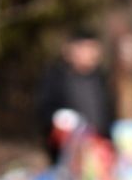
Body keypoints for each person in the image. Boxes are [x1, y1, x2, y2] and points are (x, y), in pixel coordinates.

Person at [36, 26, 115, 158]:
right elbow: (44, 111)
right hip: (66, 153)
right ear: (70, 50)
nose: (90, 53)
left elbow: (109, 114)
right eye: (85, 48)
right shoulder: (56, 77)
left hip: (99, 149)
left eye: (93, 48)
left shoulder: (102, 78)